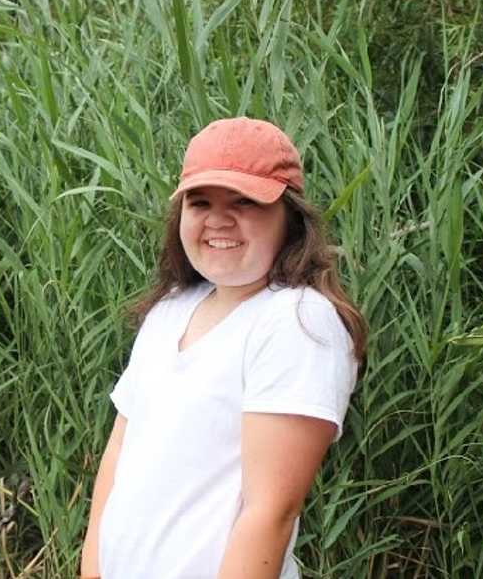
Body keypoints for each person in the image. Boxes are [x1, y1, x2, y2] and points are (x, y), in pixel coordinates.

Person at [80, 117, 368, 579]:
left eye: (245, 201)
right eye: (200, 201)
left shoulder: (296, 321)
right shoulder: (171, 310)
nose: (218, 219)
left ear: (290, 219)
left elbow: (271, 511)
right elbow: (116, 464)